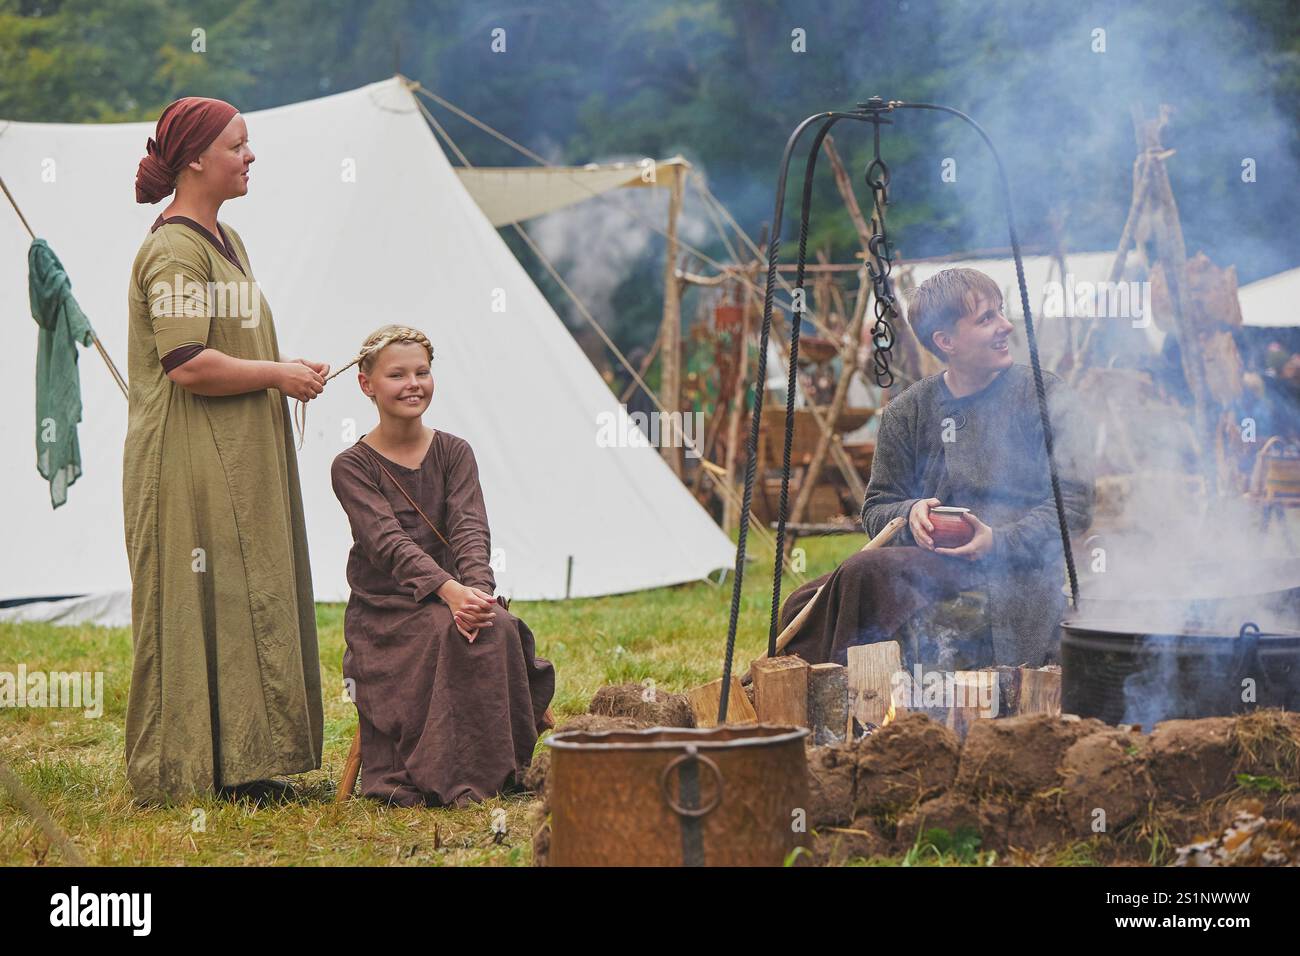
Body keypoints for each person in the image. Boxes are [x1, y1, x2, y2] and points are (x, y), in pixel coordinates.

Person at [123, 96, 330, 803]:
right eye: (238, 145)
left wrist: (284, 365)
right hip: (185, 461)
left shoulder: (226, 240)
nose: (250, 157)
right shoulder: (174, 249)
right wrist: (277, 375)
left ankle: (245, 761)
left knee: (241, 593)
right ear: (195, 160)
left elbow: (229, 342)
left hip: (232, 455)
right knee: (197, 599)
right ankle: (183, 771)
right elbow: (185, 361)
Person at [777, 268, 1094, 670]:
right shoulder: (907, 412)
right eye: (986, 319)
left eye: (1000, 312)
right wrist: (909, 515)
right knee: (805, 601)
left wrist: (999, 541)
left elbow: (1075, 504)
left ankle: (850, 690)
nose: (1006, 326)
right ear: (947, 342)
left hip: (1014, 574)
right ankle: (829, 688)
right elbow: (877, 508)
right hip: (929, 568)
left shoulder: (1043, 397)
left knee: (860, 572)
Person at [330, 325, 555, 808]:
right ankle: (441, 773)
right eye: (397, 374)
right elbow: (387, 544)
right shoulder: (352, 466)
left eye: (422, 372)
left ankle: (496, 770)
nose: (413, 383)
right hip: (389, 610)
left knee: (498, 626)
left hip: (458, 595)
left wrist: (477, 593)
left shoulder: (455, 452)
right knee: (445, 632)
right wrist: (449, 593)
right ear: (367, 384)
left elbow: (472, 531)